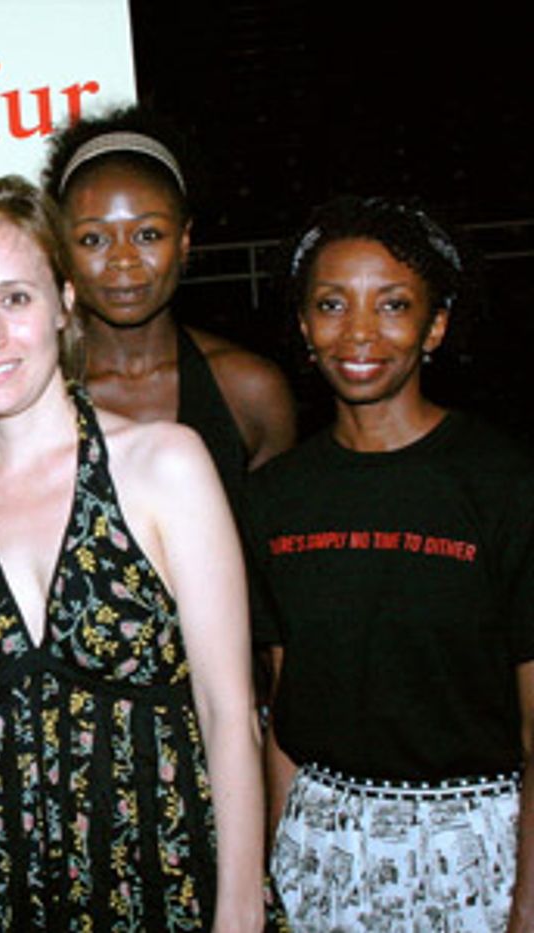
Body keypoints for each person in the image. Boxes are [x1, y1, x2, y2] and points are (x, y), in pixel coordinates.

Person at [0, 176, 272, 930]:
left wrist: (239, 912)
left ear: (64, 302)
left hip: (164, 887)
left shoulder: (164, 466)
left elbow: (229, 711)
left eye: (15, 298)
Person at [252, 195, 534, 930]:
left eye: (393, 305)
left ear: (434, 325)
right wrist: (277, 870)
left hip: (476, 855)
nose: (359, 332)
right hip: (318, 848)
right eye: (332, 304)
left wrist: (528, 908)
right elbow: (286, 712)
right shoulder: (274, 498)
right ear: (304, 326)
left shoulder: (504, 485)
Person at [41, 107, 295, 511]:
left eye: (147, 235)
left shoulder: (250, 390)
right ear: (61, 249)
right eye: (93, 239)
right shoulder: (33, 392)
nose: (123, 260)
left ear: (183, 242)